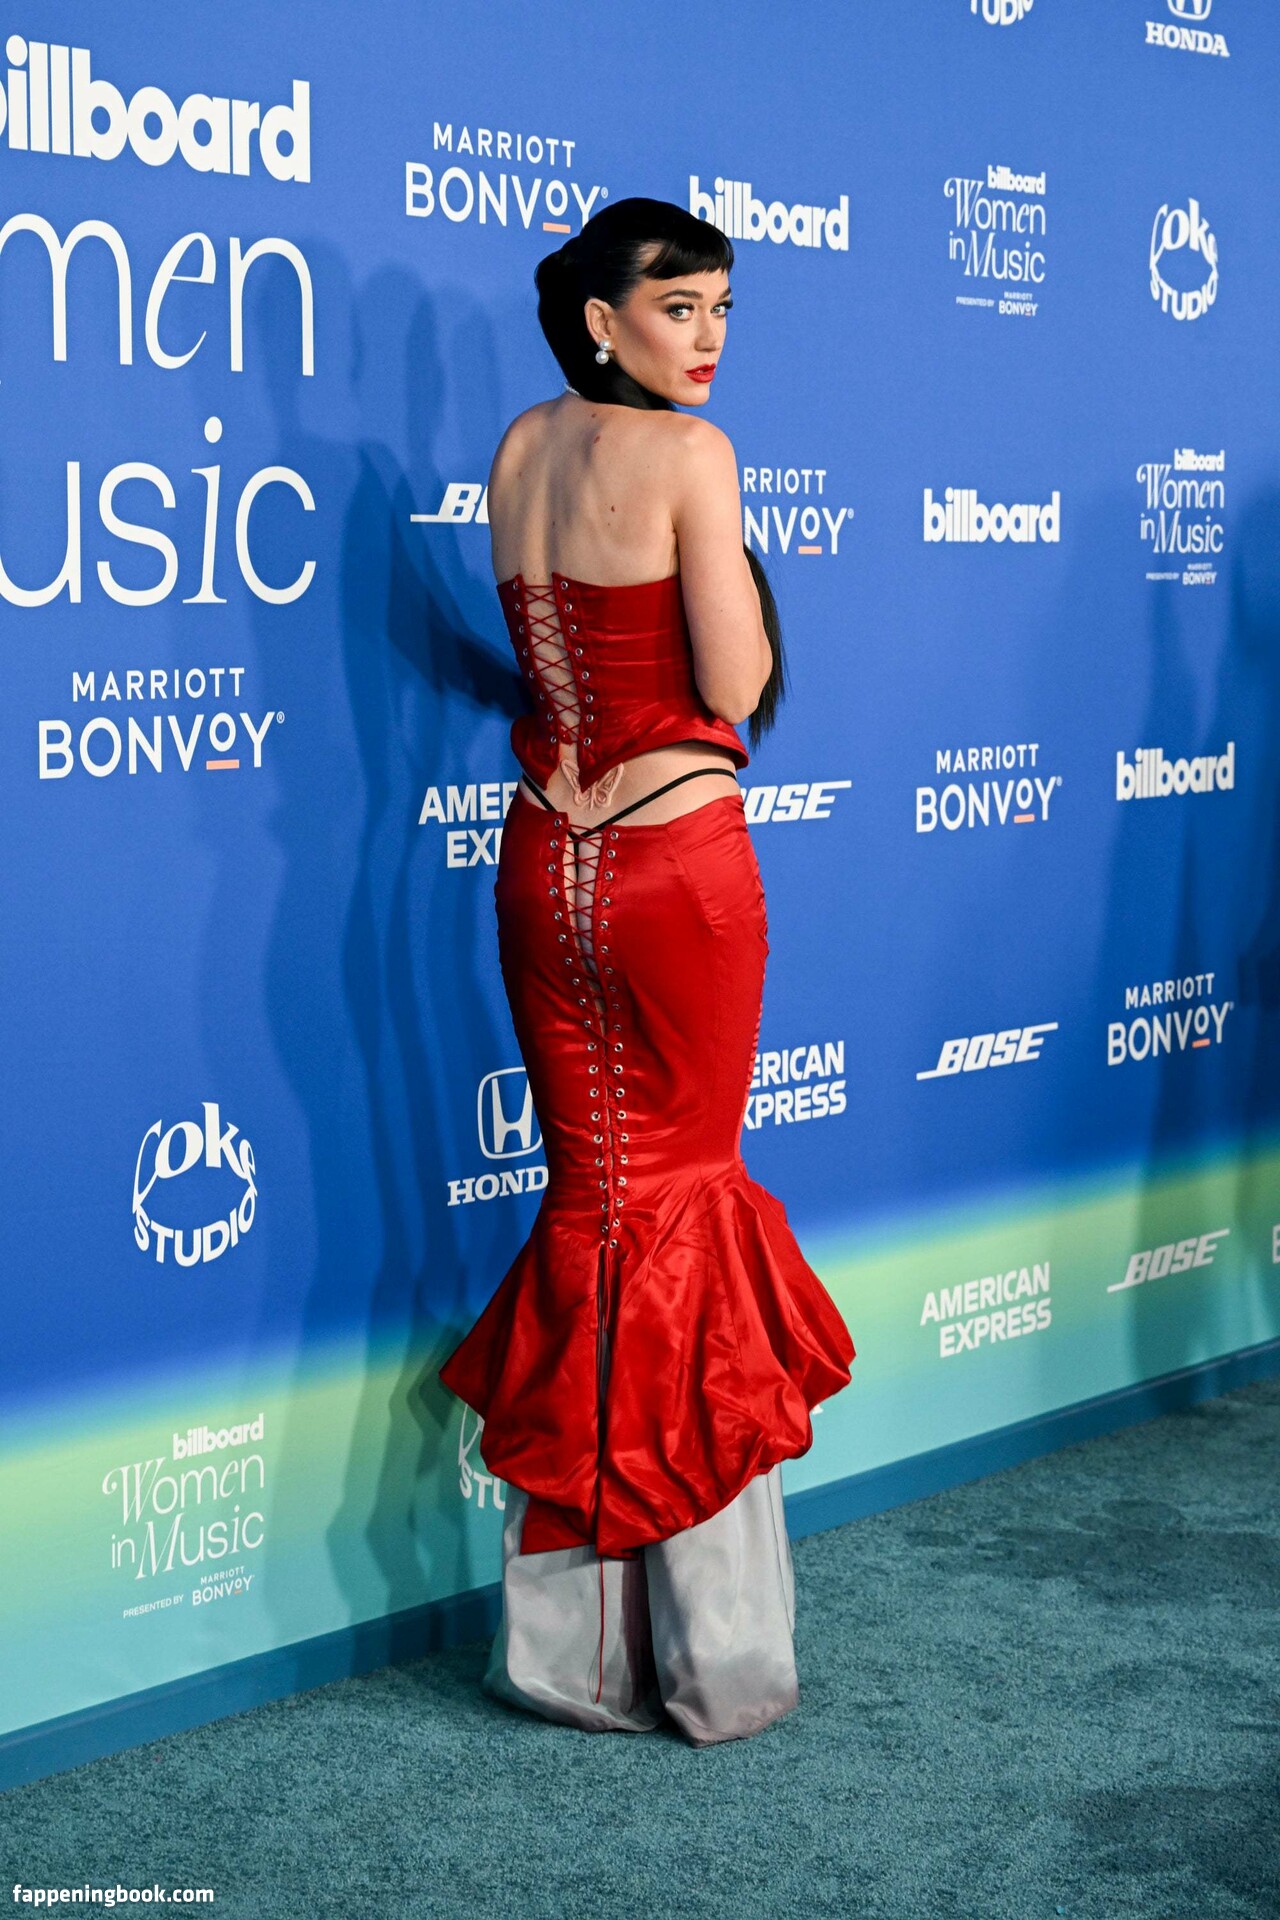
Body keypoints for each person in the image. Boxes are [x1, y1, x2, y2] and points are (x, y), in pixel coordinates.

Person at [437, 196, 855, 1746]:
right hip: (675, 870)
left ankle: (573, 1659)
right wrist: (731, 546)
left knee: (598, 1202)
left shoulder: (519, 451)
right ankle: (713, 1657)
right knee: (685, 1202)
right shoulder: (694, 459)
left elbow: (548, 667)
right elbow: (734, 681)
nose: (709, 340)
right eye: (680, 308)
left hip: (543, 862)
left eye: (723, 310)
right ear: (601, 320)